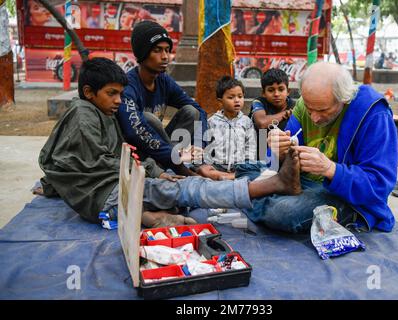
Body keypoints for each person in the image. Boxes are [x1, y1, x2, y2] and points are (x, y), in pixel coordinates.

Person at [38, 57, 301, 228]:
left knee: (176, 190)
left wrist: (159, 171)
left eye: (120, 93)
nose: (119, 100)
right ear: (89, 92)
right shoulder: (85, 116)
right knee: (184, 190)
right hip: (109, 193)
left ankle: (151, 216)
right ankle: (268, 185)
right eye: (112, 94)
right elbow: (107, 162)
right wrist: (153, 173)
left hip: (109, 193)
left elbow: (67, 164)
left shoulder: (100, 112)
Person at [236, 62, 398, 234]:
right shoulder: (304, 105)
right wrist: (278, 151)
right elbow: (276, 162)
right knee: (244, 168)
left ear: (344, 99)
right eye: (309, 108)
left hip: (345, 196)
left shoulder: (373, 113)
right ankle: (258, 195)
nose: (314, 118)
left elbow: (380, 184)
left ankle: (250, 196)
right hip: (299, 182)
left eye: (322, 110)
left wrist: (331, 169)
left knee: (283, 212)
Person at [116, 21, 208, 177]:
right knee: (148, 119)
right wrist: (175, 158)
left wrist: (199, 147)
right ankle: (176, 165)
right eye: (157, 50)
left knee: (191, 112)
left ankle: (172, 161)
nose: (165, 56)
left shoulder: (163, 80)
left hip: (161, 152)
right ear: (143, 53)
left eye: (167, 50)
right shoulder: (128, 86)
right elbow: (133, 132)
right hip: (138, 155)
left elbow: (199, 111)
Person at [198, 76, 257, 181]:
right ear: (220, 101)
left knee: (257, 169)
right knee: (200, 169)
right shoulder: (212, 122)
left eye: (240, 96)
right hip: (217, 165)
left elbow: (250, 145)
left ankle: (232, 176)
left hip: (240, 166)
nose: (237, 100)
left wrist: (248, 163)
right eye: (231, 97)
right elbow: (207, 146)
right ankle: (222, 176)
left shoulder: (247, 122)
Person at [248, 68, 295, 156]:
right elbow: (262, 123)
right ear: (263, 93)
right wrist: (284, 114)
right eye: (271, 90)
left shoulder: (294, 106)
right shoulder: (259, 102)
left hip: (285, 155)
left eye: (281, 89)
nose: (276, 94)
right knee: (262, 132)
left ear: (288, 91)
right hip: (260, 154)